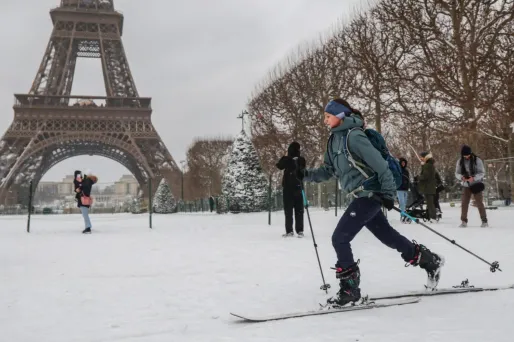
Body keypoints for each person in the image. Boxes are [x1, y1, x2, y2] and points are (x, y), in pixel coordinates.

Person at [303, 98, 444, 306]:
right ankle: (430, 261)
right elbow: (328, 171)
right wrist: (303, 174)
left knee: (340, 238)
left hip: (371, 196)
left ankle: (350, 290)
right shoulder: (333, 141)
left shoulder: (355, 136)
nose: (325, 120)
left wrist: (387, 194)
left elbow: (381, 167)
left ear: (341, 115)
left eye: (328, 116)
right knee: (389, 237)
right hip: (360, 196)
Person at [276, 142, 306, 238]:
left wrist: (287, 159)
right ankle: (299, 230)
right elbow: (280, 166)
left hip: (289, 188)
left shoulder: (289, 159)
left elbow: (279, 166)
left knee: (289, 211)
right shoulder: (300, 160)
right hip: (297, 187)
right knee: (299, 211)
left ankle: (290, 231)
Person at [455, 145, 488, 227]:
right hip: (465, 185)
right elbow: (457, 173)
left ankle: (484, 221)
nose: (466, 156)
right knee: (464, 203)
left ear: (470, 153)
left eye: (467, 155)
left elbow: (482, 173)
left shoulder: (477, 160)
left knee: (479, 203)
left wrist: (473, 178)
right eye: (464, 155)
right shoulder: (460, 161)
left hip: (476, 184)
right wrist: (462, 177)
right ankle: (464, 221)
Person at [417, 152, 437, 221]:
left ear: (425, 157)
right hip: (430, 187)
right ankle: (430, 216)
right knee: (430, 203)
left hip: (427, 187)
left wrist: (418, 177)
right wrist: (423, 166)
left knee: (430, 204)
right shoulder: (430, 164)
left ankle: (433, 217)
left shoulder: (427, 165)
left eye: (421, 157)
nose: (421, 159)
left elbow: (425, 176)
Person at [397, 158, 410, 222]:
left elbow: (408, 180)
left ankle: (404, 214)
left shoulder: (406, 171)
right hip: (399, 189)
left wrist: (408, 186)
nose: (403, 164)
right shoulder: (398, 170)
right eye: (402, 163)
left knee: (405, 203)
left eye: (404, 163)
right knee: (402, 202)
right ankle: (402, 215)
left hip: (405, 189)